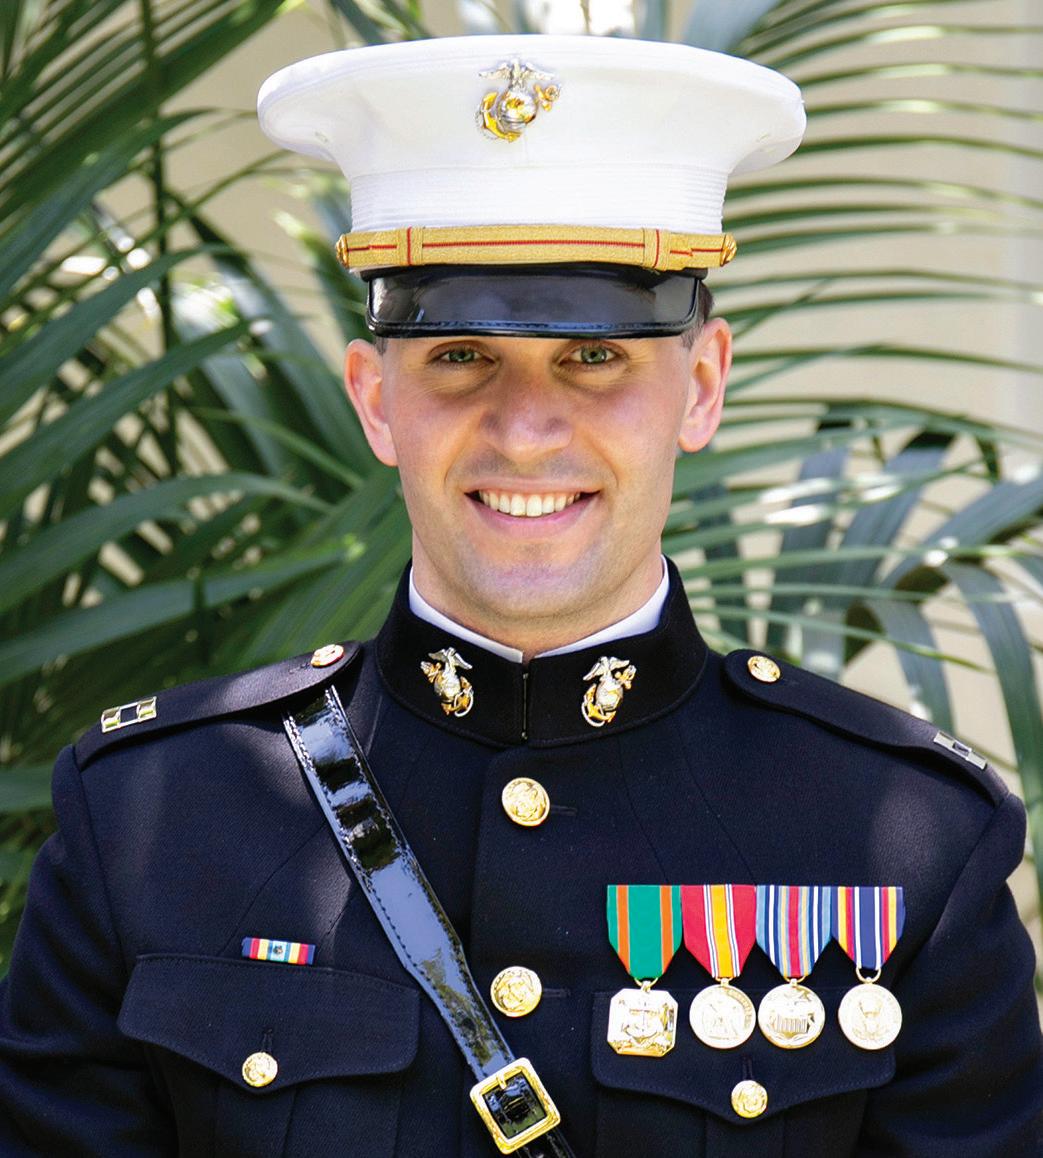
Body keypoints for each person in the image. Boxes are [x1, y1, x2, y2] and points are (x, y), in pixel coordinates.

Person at [0, 33, 1040, 1158]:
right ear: (375, 400)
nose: (526, 431)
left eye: (595, 359)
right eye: (458, 356)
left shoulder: (905, 841)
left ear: (700, 388)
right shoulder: (152, 818)